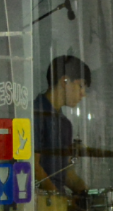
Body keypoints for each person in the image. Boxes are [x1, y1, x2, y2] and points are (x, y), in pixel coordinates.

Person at [34, 55, 92, 195]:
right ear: (64, 81)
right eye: (81, 86)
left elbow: (65, 173)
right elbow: (31, 165)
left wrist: (86, 194)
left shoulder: (65, 124)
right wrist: (59, 200)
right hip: (41, 203)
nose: (83, 94)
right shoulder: (36, 114)